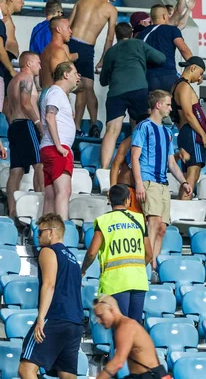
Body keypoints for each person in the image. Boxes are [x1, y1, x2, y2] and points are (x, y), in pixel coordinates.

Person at [131, 90, 192, 273]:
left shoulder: (167, 132)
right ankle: (147, 266)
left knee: (162, 228)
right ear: (158, 105)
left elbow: (171, 162)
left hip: (163, 183)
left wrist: (183, 182)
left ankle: (153, 263)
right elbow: (135, 157)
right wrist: (139, 183)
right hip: (149, 180)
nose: (170, 108)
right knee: (154, 222)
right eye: (168, 104)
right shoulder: (143, 127)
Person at [18, 213, 84, 379]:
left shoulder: (48, 251)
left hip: (55, 317)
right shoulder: (73, 259)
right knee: (67, 375)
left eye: (40, 232)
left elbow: (49, 284)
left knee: (26, 370)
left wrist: (41, 318)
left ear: (51, 232)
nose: (37, 236)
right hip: (75, 322)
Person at [99, 22, 166, 169]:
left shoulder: (111, 51)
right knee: (139, 128)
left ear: (117, 36)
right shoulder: (139, 44)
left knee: (111, 130)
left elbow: (103, 81)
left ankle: (103, 169)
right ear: (131, 33)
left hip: (116, 92)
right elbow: (161, 58)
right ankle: (136, 165)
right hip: (139, 90)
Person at [83, 184, 152, 323]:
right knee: (135, 327)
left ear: (110, 200)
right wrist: (135, 269)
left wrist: (83, 270)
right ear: (128, 199)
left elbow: (91, 253)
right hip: (138, 281)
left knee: (120, 327)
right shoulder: (139, 219)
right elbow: (149, 254)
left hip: (116, 281)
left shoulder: (104, 221)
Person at [68, 0, 120, 137]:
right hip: (86, 49)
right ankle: (93, 123)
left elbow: (68, 26)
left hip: (70, 43)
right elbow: (110, 39)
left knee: (72, 86)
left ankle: (76, 127)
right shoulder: (111, 9)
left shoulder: (81, 0)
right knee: (88, 88)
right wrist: (104, 59)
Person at [93, 295, 171, 379]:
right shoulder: (125, 325)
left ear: (111, 310)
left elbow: (118, 362)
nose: (99, 321)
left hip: (150, 376)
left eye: (101, 316)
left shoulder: (125, 327)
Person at [40, 62, 80, 220]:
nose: (78, 77)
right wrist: (58, 146)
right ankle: (60, 233)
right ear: (66, 75)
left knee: (51, 195)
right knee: (64, 192)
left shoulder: (57, 94)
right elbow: (50, 117)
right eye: (75, 73)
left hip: (51, 148)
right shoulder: (56, 93)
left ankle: (46, 233)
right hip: (58, 148)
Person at [5, 52, 43, 218]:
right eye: (38, 63)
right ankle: (41, 208)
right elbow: (26, 103)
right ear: (28, 63)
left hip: (14, 126)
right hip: (26, 124)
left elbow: (6, 107)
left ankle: (13, 211)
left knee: (16, 171)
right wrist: (38, 124)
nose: (40, 66)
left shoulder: (13, 81)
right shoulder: (26, 79)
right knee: (39, 164)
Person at [171, 56, 206, 199]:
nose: (200, 78)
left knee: (186, 177)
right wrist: (204, 135)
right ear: (193, 68)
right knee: (192, 175)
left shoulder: (175, 86)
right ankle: (184, 206)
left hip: (184, 131)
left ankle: (181, 207)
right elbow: (189, 114)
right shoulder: (184, 86)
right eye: (200, 73)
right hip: (192, 132)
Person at [138, 4, 193, 92]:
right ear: (164, 16)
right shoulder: (172, 30)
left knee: (153, 105)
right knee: (170, 104)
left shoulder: (142, 34)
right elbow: (183, 49)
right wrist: (195, 67)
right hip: (168, 75)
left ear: (151, 17)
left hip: (148, 78)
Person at [110, 136, 144, 214]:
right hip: (127, 188)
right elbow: (116, 164)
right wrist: (112, 188)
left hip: (146, 189)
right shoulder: (129, 141)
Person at [40, 16, 76, 90]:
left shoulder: (45, 50)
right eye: (68, 28)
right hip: (54, 96)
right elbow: (59, 81)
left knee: (83, 89)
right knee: (83, 88)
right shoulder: (58, 51)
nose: (71, 31)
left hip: (47, 93)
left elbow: (41, 82)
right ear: (59, 29)